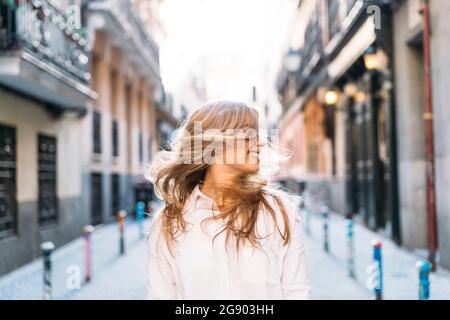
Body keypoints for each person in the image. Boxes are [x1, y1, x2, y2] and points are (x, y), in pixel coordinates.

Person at [146, 100, 310, 299]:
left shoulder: (281, 212)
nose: (261, 142)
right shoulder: (168, 225)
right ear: (213, 144)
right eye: (249, 134)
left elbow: (297, 294)